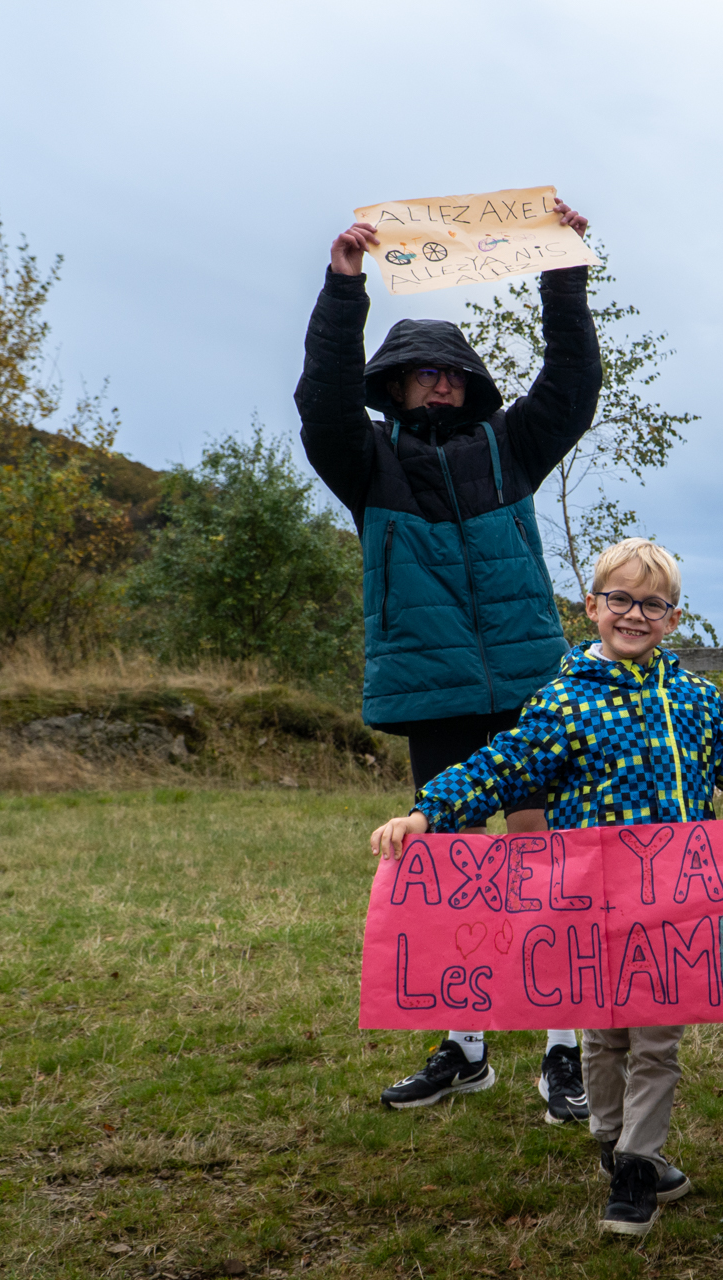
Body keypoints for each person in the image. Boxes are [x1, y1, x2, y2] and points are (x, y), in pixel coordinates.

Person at [369, 537, 723, 1237]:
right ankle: (611, 1136)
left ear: (673, 618)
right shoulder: (562, 702)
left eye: (652, 604)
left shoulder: (692, 698)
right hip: (590, 908)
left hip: (677, 908)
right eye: (620, 599)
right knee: (602, 1037)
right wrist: (426, 814)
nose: (635, 614)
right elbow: (500, 767)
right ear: (593, 607)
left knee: (657, 1042)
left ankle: (635, 1165)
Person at [295, 203, 601, 1121]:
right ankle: (465, 1050)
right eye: (423, 372)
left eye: (452, 372)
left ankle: (564, 1051)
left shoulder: (511, 448)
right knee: (452, 873)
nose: (439, 384)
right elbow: (321, 401)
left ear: (471, 385)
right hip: (435, 696)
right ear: (395, 384)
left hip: (530, 693)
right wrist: (343, 289)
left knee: (543, 863)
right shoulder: (366, 462)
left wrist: (563, 271)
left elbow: (573, 383)